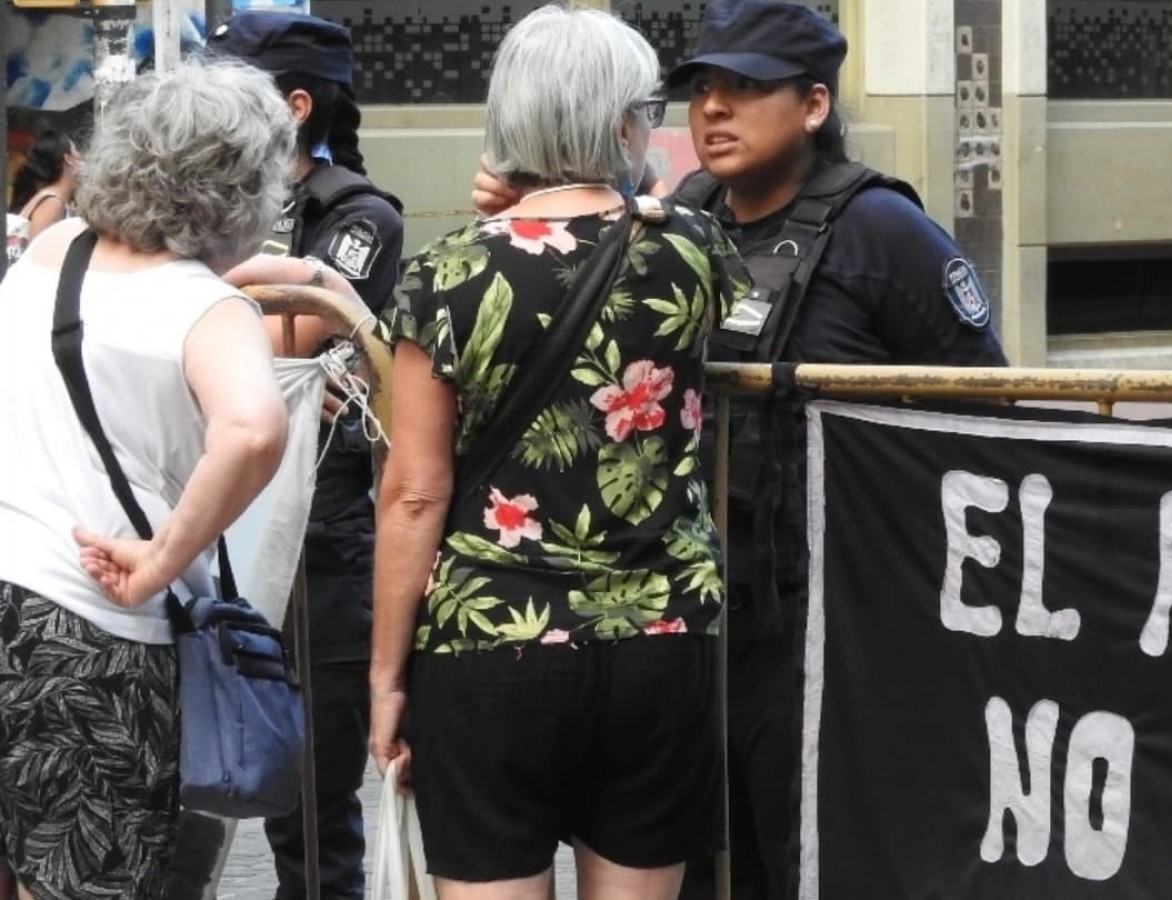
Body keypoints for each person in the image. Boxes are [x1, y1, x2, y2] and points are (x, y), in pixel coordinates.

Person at [475, 3, 1010, 896]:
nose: (714, 110)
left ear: (811, 105)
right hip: (696, 604)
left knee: (804, 848)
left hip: (833, 618)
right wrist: (521, 207)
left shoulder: (881, 229)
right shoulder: (681, 216)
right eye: (701, 90)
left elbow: (991, 412)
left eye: (745, 89)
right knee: (697, 861)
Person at [370, 6, 748, 900]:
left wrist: (387, 675)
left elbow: (416, 492)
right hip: (664, 637)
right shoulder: (692, 250)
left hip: (492, 643)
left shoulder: (448, 272)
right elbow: (641, 214)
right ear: (626, 120)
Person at [0, 59, 295, 900]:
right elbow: (252, 429)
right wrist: (164, 557)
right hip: (90, 635)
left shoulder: (52, 249)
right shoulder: (211, 314)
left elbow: (130, 302)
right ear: (247, 187)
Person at [200, 11, 405, 900]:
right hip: (214, 520)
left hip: (320, 529)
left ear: (290, 104)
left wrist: (220, 306)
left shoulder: (357, 214)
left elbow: (296, 331)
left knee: (314, 794)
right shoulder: (205, 210)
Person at [7, 129, 79, 247]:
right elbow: (36, 252)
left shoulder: (52, 197)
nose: (82, 156)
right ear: (68, 159)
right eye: (76, 150)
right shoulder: (52, 203)